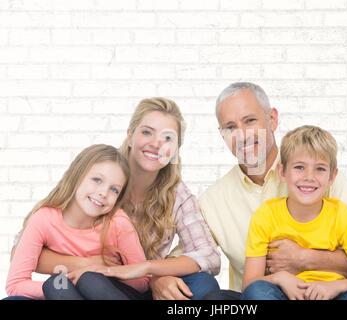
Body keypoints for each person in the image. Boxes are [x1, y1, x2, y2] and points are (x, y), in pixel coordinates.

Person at [200, 82, 347, 300]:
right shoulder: (213, 200)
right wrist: (164, 277)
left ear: (272, 119)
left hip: (333, 291)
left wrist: (306, 259)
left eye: (250, 120)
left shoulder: (319, 176)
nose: (242, 135)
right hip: (266, 295)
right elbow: (193, 253)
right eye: (230, 127)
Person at [10, 98, 220, 300]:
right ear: (130, 135)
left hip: (139, 285)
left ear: (175, 149)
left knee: (204, 285)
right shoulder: (100, 170)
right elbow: (20, 254)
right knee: (58, 287)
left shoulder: (176, 195)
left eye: (168, 138)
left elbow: (209, 257)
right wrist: (88, 264)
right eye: (147, 132)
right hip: (82, 282)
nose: (156, 144)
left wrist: (152, 272)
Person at [242, 125, 347, 300]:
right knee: (257, 292)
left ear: (332, 177)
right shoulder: (266, 214)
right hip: (285, 295)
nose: (309, 176)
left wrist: (336, 286)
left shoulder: (341, 215)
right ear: (282, 172)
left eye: (320, 169)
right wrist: (280, 278)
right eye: (299, 167)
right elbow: (249, 284)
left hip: (333, 294)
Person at [6, 144, 150, 300]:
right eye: (97, 180)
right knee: (55, 284)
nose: (103, 193)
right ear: (77, 175)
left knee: (89, 280)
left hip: (110, 293)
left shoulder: (118, 223)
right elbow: (15, 284)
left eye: (114, 189)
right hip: (66, 295)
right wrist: (73, 279)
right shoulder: (44, 219)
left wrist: (102, 271)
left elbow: (142, 282)